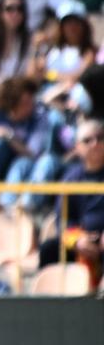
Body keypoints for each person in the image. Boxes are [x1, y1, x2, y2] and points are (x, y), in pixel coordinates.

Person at [0, 76, 58, 210]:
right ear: (12, 104)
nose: (31, 105)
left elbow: (32, 153)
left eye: (31, 100)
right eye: (26, 102)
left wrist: (8, 135)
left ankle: (7, 203)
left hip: (21, 168)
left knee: (20, 161)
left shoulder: (39, 117)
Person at [38, 118, 104, 282]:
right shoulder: (71, 179)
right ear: (78, 148)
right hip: (83, 238)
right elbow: (64, 220)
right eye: (88, 140)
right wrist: (78, 240)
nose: (95, 144)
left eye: (100, 138)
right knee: (49, 249)